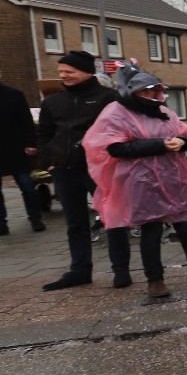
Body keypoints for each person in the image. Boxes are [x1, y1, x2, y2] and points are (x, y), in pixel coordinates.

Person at [82, 62, 187, 302]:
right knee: (151, 231)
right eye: (145, 90)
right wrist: (160, 145)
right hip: (142, 182)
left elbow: (185, 133)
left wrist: (183, 141)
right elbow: (115, 147)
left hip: (174, 179)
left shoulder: (163, 111)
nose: (151, 95)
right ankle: (155, 280)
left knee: (186, 226)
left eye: (154, 90)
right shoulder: (116, 113)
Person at [34, 51, 132, 290]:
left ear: (87, 72)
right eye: (61, 71)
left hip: (99, 168)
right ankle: (80, 270)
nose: (63, 75)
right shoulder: (53, 101)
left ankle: (121, 270)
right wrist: (48, 161)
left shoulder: (109, 98)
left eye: (69, 71)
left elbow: (120, 129)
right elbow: (44, 134)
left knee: (112, 218)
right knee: (74, 222)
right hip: (64, 169)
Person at [0, 70, 46, 235]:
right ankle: (1, 224)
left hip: (16, 148)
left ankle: (35, 218)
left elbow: (26, 120)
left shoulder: (14, 95)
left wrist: (30, 143)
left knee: (27, 185)